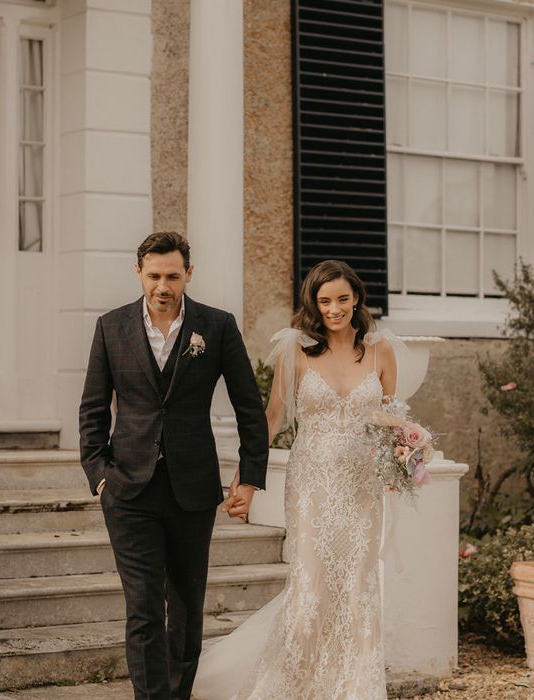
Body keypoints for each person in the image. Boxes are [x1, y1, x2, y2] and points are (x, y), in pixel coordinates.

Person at [193, 259, 398, 700]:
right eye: (325, 301)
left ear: (357, 298)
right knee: (312, 584)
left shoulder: (382, 351)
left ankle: (354, 687)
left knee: (358, 585)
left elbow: (393, 423)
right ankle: (293, 684)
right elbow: (271, 420)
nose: (335, 308)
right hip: (312, 485)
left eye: (343, 298)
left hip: (363, 487)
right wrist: (245, 479)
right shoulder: (295, 351)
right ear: (314, 304)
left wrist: (405, 459)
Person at [79, 231, 269, 700]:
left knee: (185, 607)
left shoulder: (217, 326)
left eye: (172, 275)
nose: (163, 285)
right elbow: (92, 410)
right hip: (128, 489)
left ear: (189, 274)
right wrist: (99, 475)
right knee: (143, 607)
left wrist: (250, 476)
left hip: (192, 489)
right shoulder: (111, 326)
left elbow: (249, 404)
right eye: (154, 275)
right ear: (139, 273)